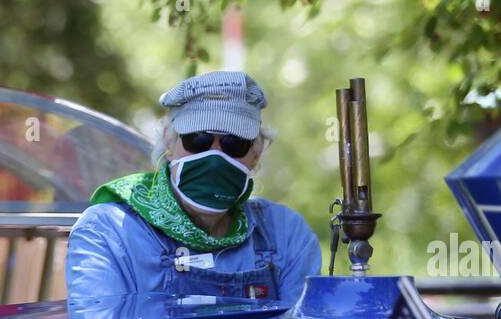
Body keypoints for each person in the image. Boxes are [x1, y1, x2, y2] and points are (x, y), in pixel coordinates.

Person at [66, 70, 320, 306]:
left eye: (234, 143)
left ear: (256, 154)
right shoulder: (109, 232)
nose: (215, 156)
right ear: (169, 141)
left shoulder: (285, 235)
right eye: (198, 139)